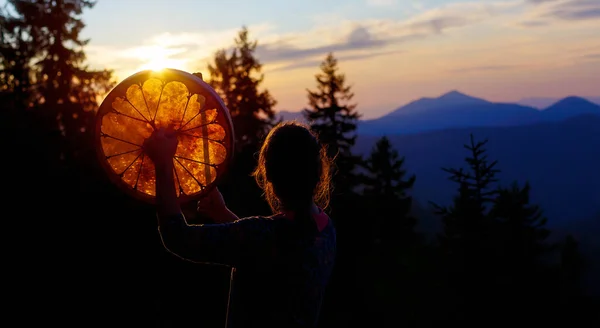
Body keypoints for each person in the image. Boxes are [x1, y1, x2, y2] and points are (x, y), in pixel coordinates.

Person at [143, 121, 337, 328]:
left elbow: (177, 236)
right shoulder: (325, 230)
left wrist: (163, 163)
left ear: (268, 174)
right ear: (317, 172)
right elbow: (266, 256)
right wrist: (222, 213)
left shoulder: (261, 235)